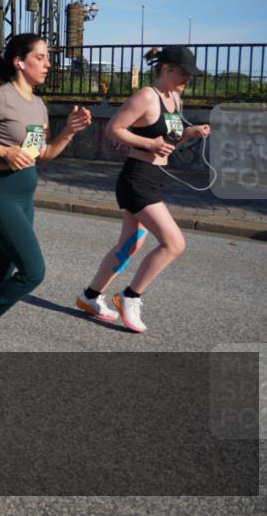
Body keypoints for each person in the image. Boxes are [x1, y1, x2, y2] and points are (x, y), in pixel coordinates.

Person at [0, 34, 92, 359]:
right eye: (41, 57)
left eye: (47, 57)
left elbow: (41, 154)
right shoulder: (1, 98)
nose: (48, 63)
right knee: (33, 271)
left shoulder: (37, 104)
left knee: (1, 271)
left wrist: (69, 131)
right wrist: (5, 150)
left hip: (23, 193)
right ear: (19, 61)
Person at [77, 46, 210, 332]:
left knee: (130, 244)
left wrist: (191, 133)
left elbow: (170, 140)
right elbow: (114, 128)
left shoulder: (174, 98)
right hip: (136, 179)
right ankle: (130, 296)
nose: (188, 78)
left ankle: (89, 296)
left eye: (190, 74)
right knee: (174, 243)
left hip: (153, 177)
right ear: (165, 69)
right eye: (183, 73)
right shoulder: (146, 96)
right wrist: (149, 144)